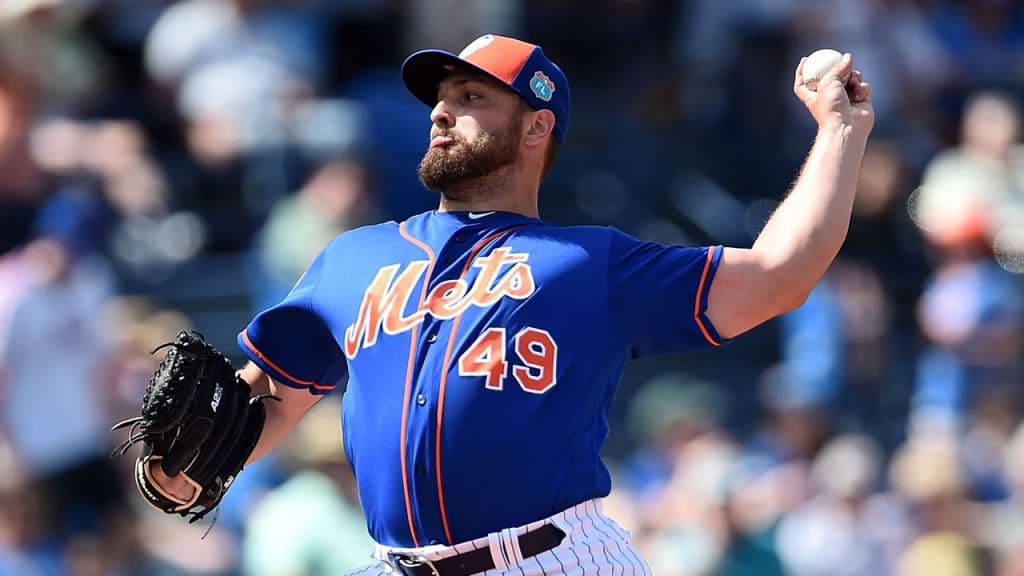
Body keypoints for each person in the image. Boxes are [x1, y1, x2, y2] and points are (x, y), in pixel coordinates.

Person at [151, 33, 874, 575]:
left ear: (536, 127)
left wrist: (840, 130)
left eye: (473, 98)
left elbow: (779, 274)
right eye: (441, 98)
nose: (442, 112)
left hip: (549, 558)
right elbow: (269, 399)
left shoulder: (588, 263)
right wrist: (186, 467)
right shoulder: (353, 258)